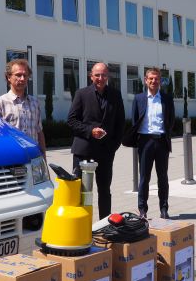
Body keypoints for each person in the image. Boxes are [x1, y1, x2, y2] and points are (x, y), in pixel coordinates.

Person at [67, 62, 125, 219]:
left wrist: (113, 146)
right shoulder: (82, 94)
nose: (101, 78)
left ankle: (104, 226)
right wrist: (90, 131)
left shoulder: (115, 95)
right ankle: (80, 225)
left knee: (105, 191)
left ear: (108, 76)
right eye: (97, 75)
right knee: (81, 191)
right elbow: (71, 121)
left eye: (104, 75)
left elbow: (120, 123)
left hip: (106, 152)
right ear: (91, 76)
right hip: (83, 150)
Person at [132, 67, 175, 219]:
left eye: (156, 79)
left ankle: (164, 208)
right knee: (144, 177)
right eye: (150, 78)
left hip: (162, 141)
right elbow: (135, 120)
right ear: (146, 80)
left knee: (163, 177)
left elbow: (171, 121)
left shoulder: (167, 99)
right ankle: (142, 209)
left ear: (160, 81)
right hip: (145, 141)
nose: (153, 81)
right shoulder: (139, 99)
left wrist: (166, 135)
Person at [0, 59, 46, 156]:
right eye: (18, 75)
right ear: (9, 77)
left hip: (34, 159)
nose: (22, 79)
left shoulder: (34, 103)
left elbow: (39, 132)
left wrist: (44, 159)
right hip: (11, 158)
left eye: (25, 75)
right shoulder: (0, 103)